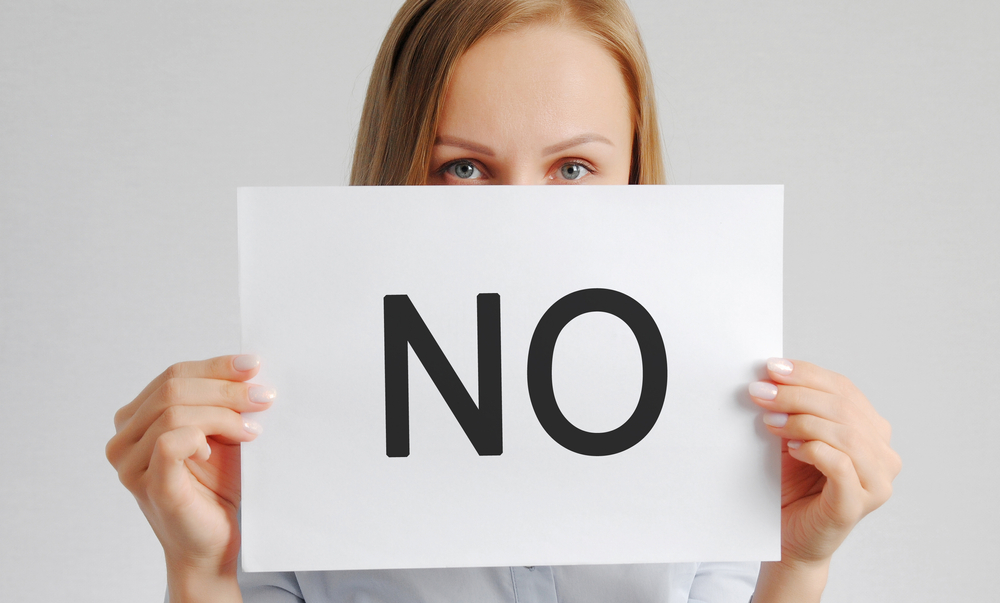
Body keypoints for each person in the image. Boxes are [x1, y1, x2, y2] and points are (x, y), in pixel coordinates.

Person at [105, 0, 902, 601]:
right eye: (465, 167)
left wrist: (798, 564)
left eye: (573, 169)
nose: (522, 216)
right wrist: (201, 565)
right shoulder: (293, 422)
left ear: (632, 170)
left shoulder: (705, 405)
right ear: (402, 167)